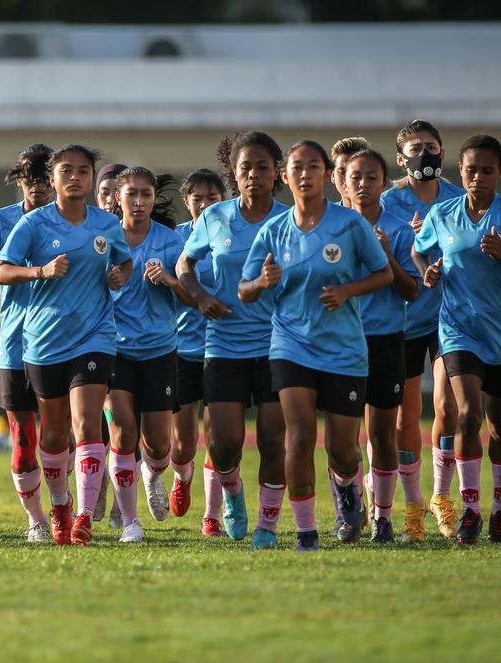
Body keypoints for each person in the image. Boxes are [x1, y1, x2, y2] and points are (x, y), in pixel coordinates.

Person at [238, 140, 392, 550]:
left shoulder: (349, 225)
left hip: (344, 350)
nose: (305, 174)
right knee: (300, 435)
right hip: (290, 344)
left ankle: (346, 488)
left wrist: (347, 292)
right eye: (297, 168)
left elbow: (383, 275)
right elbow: (244, 290)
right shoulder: (273, 230)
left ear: (327, 174)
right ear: (284, 178)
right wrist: (261, 282)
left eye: (313, 167)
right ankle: (306, 533)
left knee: (343, 451)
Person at [412, 134, 501, 545]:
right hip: (458, 331)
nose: (478, 177)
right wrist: (427, 271)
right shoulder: (443, 213)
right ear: (461, 170)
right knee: (468, 415)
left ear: (499, 172)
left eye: (487, 170)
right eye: (471, 170)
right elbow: (421, 252)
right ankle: (470, 510)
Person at [0, 144, 132, 547]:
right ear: (52, 179)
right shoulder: (34, 224)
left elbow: (123, 261)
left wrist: (119, 275)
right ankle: (60, 506)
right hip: (42, 341)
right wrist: (40, 271)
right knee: (53, 436)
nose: (75, 177)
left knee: (87, 424)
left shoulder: (107, 225)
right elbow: (1, 271)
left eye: (84, 171)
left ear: (92, 179)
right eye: (66, 171)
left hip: (94, 337)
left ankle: (85, 516)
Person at [175, 131, 289, 542]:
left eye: (262, 167)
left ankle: (269, 525)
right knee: (222, 443)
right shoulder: (214, 217)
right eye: (245, 168)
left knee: (275, 440)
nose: (254, 174)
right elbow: (185, 261)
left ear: (277, 172)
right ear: (234, 174)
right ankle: (234, 494)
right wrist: (201, 295)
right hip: (223, 343)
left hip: (279, 344)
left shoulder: (290, 219)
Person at [380, 118, 467, 539]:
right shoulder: (388, 201)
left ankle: (440, 497)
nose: (424, 155)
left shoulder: (458, 198)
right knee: (405, 417)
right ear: (401, 159)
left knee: (448, 408)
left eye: (431, 146)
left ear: (443, 153)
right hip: (404, 320)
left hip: (448, 319)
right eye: (415, 149)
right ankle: (412, 503)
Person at [344, 149, 424, 542]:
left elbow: (411, 289)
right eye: (355, 177)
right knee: (344, 436)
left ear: (383, 182)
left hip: (387, 341)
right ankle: (349, 510)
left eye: (371, 177)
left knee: (382, 433)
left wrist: (387, 254)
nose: (362, 184)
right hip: (339, 341)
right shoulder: (333, 227)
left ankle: (383, 516)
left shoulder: (399, 229)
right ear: (344, 181)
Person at [107, 166, 189, 542]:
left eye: (146, 195)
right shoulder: (103, 238)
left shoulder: (171, 242)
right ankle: (130, 522)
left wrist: (170, 280)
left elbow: (192, 295)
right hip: (114, 349)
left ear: (154, 199)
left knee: (157, 444)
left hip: (159, 350)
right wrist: (105, 279)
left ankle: (154, 474)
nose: (139, 202)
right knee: (123, 433)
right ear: (118, 198)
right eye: (132, 194)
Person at [0, 143, 55, 542]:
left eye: (44, 180)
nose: (37, 188)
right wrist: (10, 273)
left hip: (65, 343)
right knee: (25, 441)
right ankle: (36, 519)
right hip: (15, 343)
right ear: (19, 180)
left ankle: (66, 508)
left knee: (63, 436)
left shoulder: (72, 221)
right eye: (30, 179)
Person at [170, 168, 224, 536]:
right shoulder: (174, 239)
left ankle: (212, 515)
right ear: (186, 201)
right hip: (181, 347)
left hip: (223, 347)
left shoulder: (233, 234)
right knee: (183, 441)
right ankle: (182, 476)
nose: (205, 205)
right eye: (198, 198)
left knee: (218, 437)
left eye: (213, 198)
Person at [329, 136, 369, 208]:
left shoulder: (390, 214)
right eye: (343, 172)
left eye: (356, 172)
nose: (349, 179)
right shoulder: (323, 217)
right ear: (333, 175)